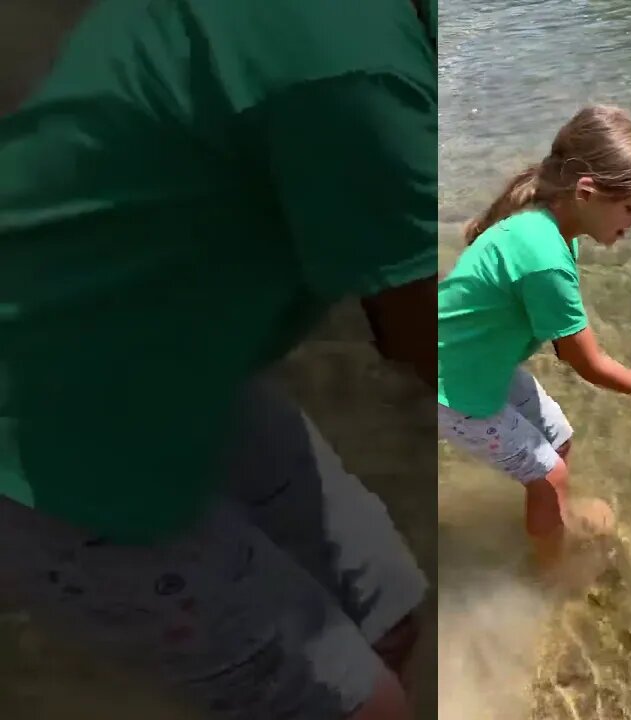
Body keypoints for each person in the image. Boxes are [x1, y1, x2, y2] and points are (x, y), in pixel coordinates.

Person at [0, 1, 436, 719]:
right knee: (367, 710)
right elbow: (429, 341)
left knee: (386, 615)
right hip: (43, 424)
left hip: (167, 360)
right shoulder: (358, 73)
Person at [437, 105, 631, 579]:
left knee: (559, 438)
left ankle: (552, 519)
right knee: (547, 475)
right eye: (630, 206)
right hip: (452, 386)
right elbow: (588, 364)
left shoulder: (552, 226)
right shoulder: (545, 258)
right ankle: (549, 577)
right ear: (586, 192)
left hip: (481, 364)